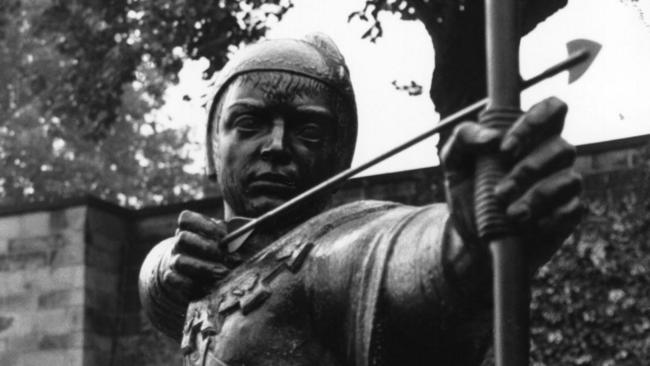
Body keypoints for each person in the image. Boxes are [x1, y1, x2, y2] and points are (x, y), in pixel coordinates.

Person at [139, 33, 583, 366]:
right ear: (211, 147)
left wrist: (467, 240)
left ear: (339, 157)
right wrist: (164, 267)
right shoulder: (206, 264)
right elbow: (161, 297)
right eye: (249, 122)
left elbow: (405, 256)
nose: (276, 145)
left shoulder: (336, 252)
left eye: (308, 130)